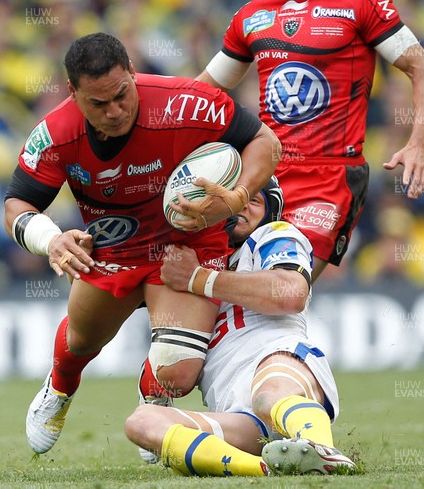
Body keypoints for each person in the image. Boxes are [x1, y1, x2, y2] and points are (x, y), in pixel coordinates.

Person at [3, 32, 280, 453]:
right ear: (73, 93)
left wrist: (239, 196)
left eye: (122, 95)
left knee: (178, 371)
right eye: (99, 104)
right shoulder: (56, 132)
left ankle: (152, 397)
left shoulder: (188, 103)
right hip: (114, 248)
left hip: (189, 243)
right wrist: (52, 240)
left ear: (133, 74)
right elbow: (16, 203)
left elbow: (265, 141)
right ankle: (59, 389)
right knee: (82, 341)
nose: (115, 111)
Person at [196, 0, 424, 282]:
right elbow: (202, 93)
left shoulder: (359, 2)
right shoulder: (249, 17)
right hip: (264, 173)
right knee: (231, 294)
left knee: (284, 288)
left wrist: (419, 143)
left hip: (329, 178)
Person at [125, 177, 355, 476]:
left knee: (267, 396)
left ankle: (322, 449)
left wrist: (197, 278)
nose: (240, 206)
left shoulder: (273, 234)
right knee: (141, 422)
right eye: (229, 198)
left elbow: (290, 294)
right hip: (237, 415)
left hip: (280, 364)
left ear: (271, 211)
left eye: (254, 201)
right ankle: (262, 469)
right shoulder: (186, 260)